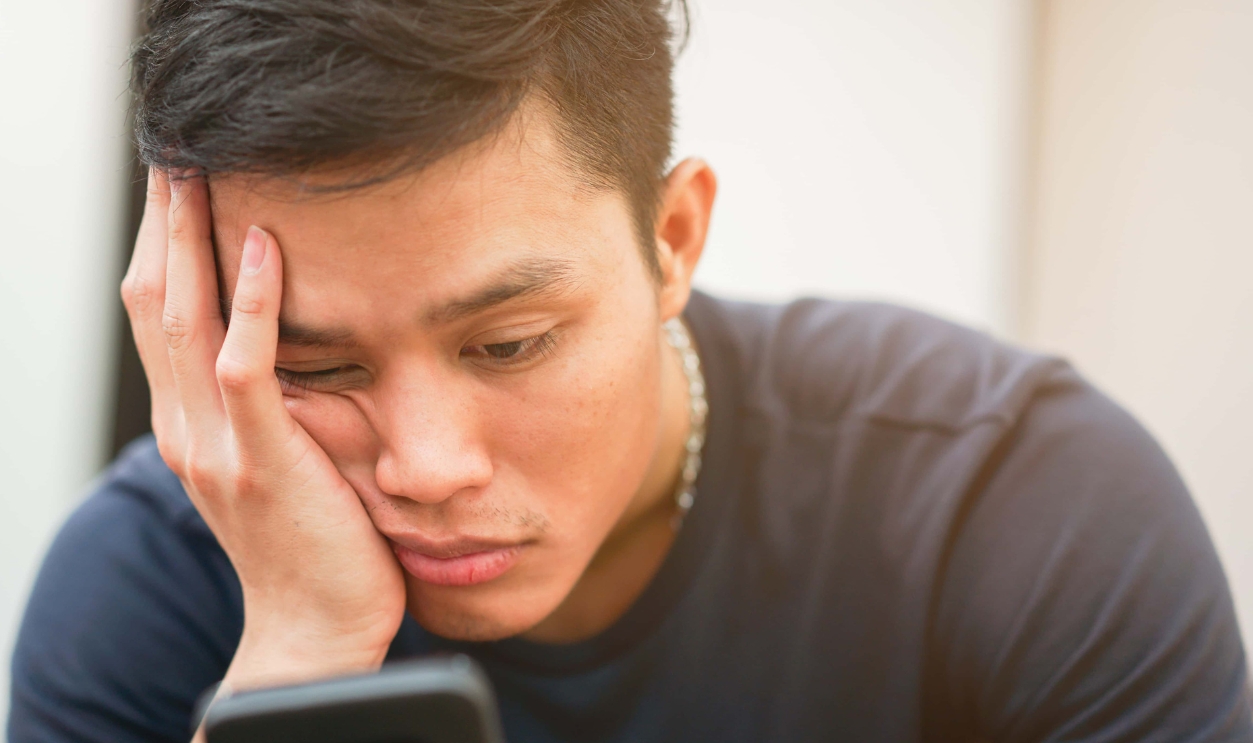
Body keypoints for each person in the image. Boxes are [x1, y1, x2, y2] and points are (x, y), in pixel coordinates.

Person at [8, 0, 1251, 740]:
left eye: (508, 343)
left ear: (672, 239)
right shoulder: (148, 589)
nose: (426, 465)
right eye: (316, 364)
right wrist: (297, 655)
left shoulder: (1017, 506)